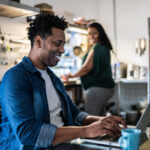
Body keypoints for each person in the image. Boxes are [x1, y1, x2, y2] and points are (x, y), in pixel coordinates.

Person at [0, 14, 126, 150]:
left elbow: (74, 114)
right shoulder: (15, 78)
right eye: (57, 43)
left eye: (63, 44)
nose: (62, 50)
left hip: (64, 144)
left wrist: (100, 121)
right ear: (38, 42)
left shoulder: (53, 78)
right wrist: (85, 131)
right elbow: (28, 134)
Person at [66, 22, 115, 116]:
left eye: (94, 33)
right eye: (89, 33)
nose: (91, 36)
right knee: (99, 119)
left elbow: (86, 67)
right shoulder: (103, 46)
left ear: (100, 33)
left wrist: (72, 75)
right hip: (104, 88)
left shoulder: (97, 47)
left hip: (98, 89)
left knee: (91, 120)